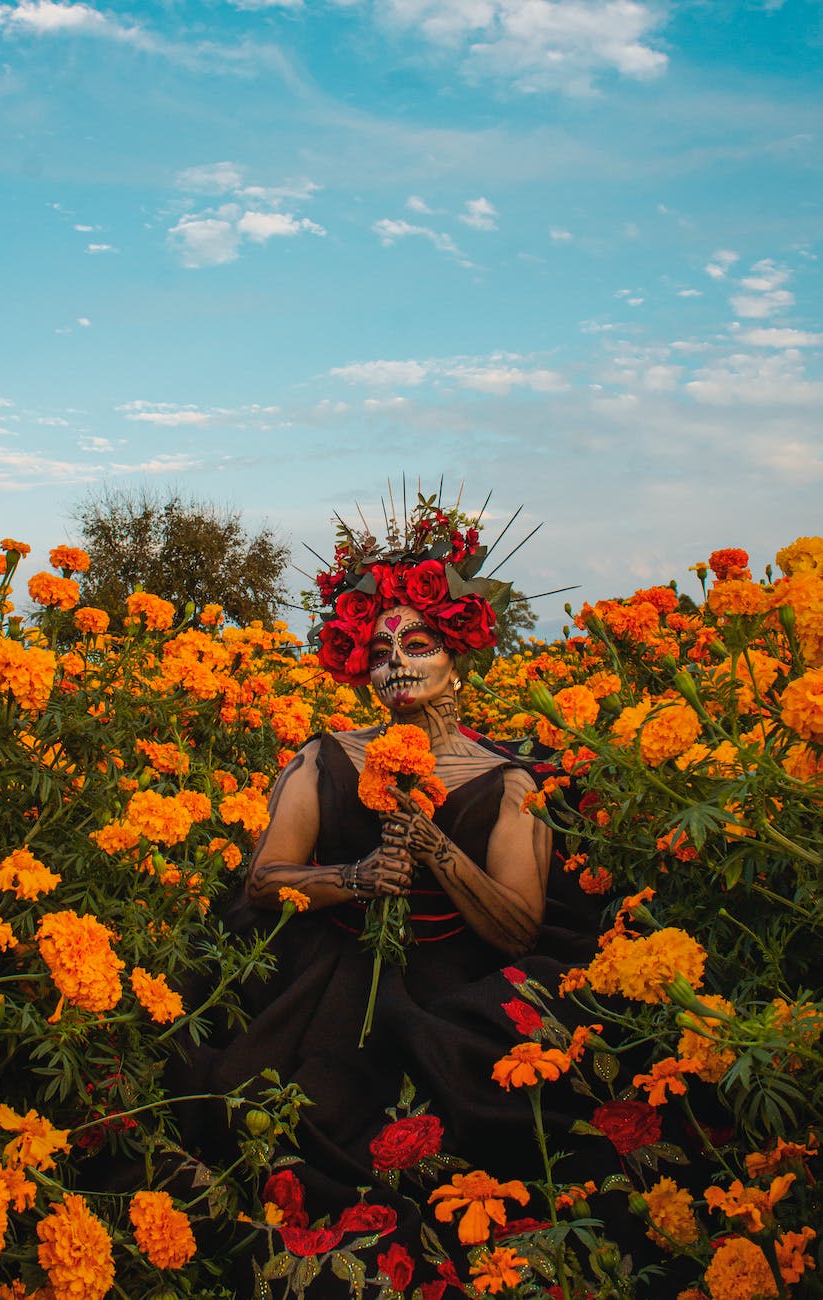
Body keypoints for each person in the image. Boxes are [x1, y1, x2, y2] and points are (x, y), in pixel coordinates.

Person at [174, 501, 607, 1294]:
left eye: (418, 645)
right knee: (290, 1105)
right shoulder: (324, 757)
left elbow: (516, 929)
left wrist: (433, 842)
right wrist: (355, 879)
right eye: (378, 652)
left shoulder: (509, 781)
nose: (396, 666)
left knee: (498, 1102)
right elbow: (264, 878)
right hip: (329, 967)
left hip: (456, 978)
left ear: (457, 656)